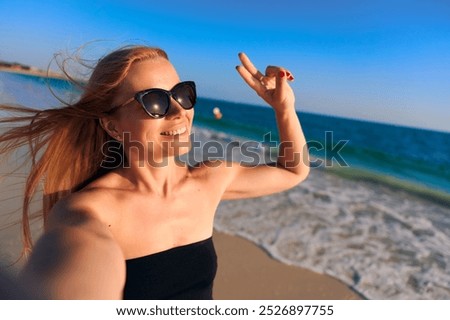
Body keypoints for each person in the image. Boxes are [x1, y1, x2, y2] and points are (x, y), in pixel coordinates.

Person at [0, 45, 309, 299]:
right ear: (111, 125)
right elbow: (73, 275)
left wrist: (284, 109)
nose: (179, 111)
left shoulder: (209, 180)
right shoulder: (88, 212)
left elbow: (293, 170)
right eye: (154, 102)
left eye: (181, 94)